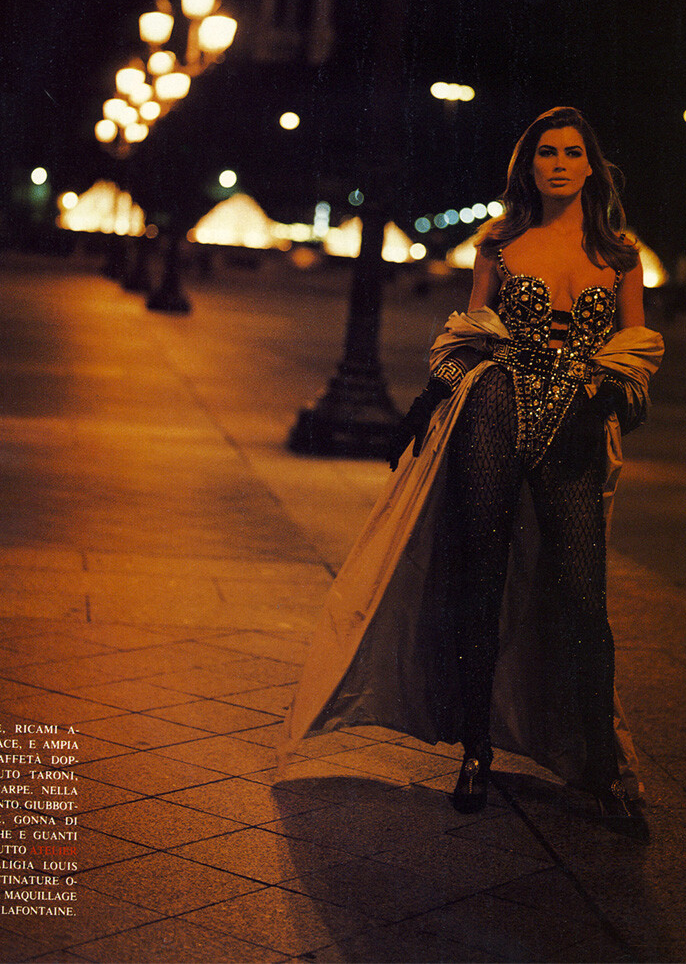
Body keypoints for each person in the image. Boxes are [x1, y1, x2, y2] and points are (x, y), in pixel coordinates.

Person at [278, 108, 663, 843]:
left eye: (571, 152)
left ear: (591, 166)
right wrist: (434, 398)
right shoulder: (500, 243)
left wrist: (610, 395)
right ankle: (475, 752)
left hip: (574, 425)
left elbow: (635, 352)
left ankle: (603, 768)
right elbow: (467, 336)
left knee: (583, 595)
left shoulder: (620, 255)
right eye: (545, 152)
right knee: (480, 577)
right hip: (493, 409)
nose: (557, 164)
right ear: (529, 165)